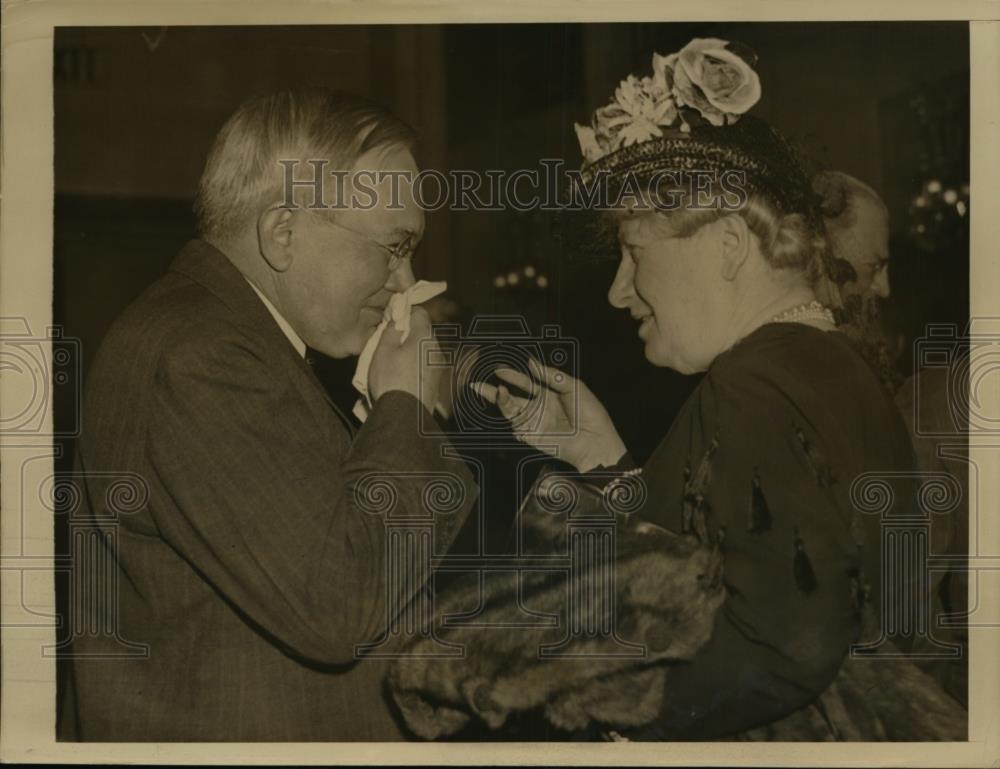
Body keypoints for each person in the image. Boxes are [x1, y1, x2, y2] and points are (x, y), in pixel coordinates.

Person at [477, 39, 958, 739]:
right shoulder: (821, 366)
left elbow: (785, 644)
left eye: (634, 252)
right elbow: (726, 559)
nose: (618, 291)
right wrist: (598, 454)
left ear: (729, 243)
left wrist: (598, 689)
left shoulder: (754, 384)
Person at [61, 89, 477, 741]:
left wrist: (396, 413)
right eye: (394, 247)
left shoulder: (228, 338)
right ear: (282, 233)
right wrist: (404, 403)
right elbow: (338, 606)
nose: (406, 281)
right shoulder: (202, 355)